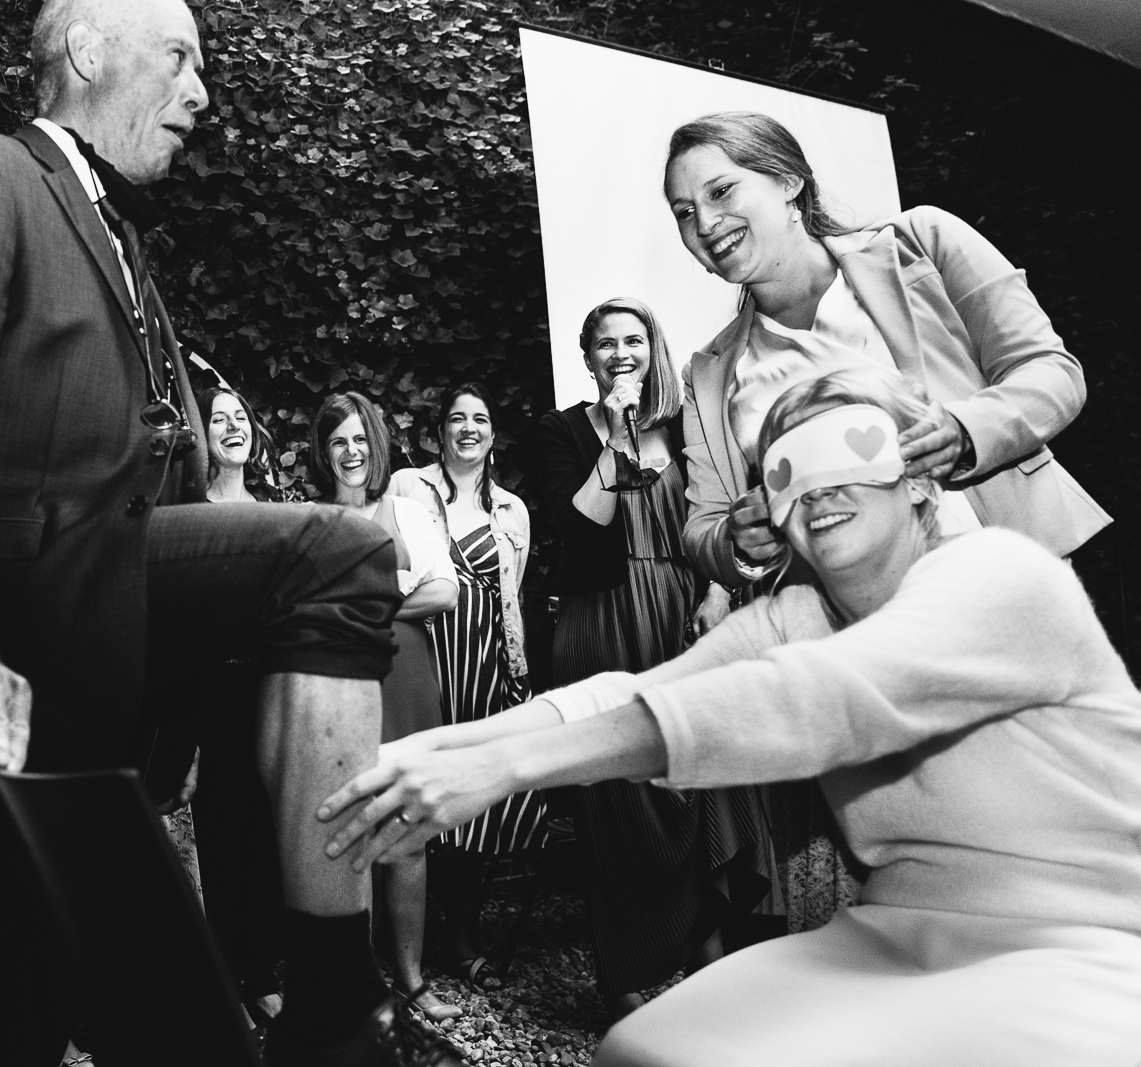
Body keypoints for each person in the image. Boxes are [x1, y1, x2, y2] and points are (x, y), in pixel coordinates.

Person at [0, 1, 461, 1064]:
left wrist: (194, 673)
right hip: (19, 620)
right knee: (338, 551)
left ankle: (305, 985)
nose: (200, 94)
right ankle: (335, 1003)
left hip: (108, 669)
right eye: (179, 59)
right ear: (87, 50)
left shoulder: (123, 238)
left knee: (18, 1001)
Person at [319, 365, 1141, 1067]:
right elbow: (631, 692)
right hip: (891, 927)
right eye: (790, 470)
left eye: (852, 452)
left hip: (1084, 941)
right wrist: (445, 746)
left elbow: (816, 697)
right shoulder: (800, 614)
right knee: (644, 1048)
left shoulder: (1003, 574)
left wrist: (507, 768)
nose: (820, 490)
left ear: (920, 477)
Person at [664, 110, 1109, 591]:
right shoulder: (708, 374)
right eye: (684, 212)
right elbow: (703, 528)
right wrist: (737, 540)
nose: (704, 223)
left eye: (721, 191)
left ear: (789, 181)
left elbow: (1052, 373)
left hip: (1009, 577)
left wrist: (966, 431)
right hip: (854, 618)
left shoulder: (922, 243)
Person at [530, 298, 767, 1015]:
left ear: (652, 346)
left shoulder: (687, 427)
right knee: (617, 794)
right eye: (606, 344)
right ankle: (625, 973)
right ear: (588, 357)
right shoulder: (559, 432)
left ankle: (704, 946)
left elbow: (719, 518)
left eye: (633, 340)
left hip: (680, 614)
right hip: (601, 620)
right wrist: (615, 432)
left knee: (698, 773)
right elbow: (579, 528)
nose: (621, 354)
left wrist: (717, 591)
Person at [388, 383, 543, 991]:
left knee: (479, 803)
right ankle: (406, 942)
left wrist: (515, 670)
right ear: (439, 432)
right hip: (427, 660)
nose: (469, 428)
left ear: (493, 433)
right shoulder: (408, 488)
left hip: (486, 666)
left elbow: (513, 594)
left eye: (480, 418)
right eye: (457, 418)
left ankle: (460, 939)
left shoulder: (513, 511)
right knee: (421, 795)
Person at [312, 393, 461, 1021]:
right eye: (338, 441)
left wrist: (371, 610)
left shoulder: (405, 512)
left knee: (407, 829)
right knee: (348, 827)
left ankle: (413, 979)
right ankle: (359, 983)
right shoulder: (312, 519)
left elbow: (445, 591)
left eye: (360, 439)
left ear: (375, 445)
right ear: (323, 452)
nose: (351, 452)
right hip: (337, 681)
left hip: (404, 677)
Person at [189, 382, 286, 1028]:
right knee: (220, 832)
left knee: (268, 831)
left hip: (270, 687)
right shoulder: (189, 510)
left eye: (240, 416)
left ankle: (265, 971)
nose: (233, 426)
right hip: (213, 691)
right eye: (218, 419)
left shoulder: (274, 508)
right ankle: (228, 979)